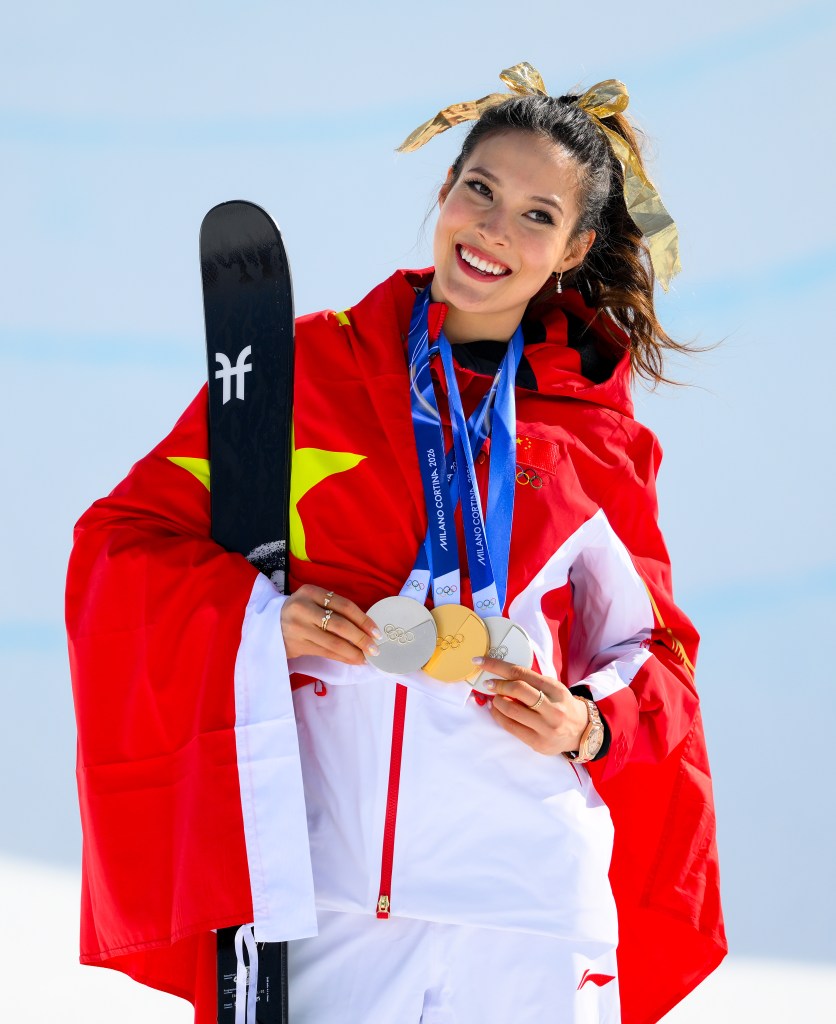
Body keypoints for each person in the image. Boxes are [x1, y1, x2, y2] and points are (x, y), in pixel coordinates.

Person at [67, 64, 726, 1024]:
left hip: (529, 905)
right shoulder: (308, 373)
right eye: (480, 191)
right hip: (331, 901)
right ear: (445, 192)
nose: (494, 230)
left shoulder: (595, 436)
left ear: (576, 247)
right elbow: (122, 548)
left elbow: (657, 656)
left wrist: (588, 723)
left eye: (538, 216)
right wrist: (263, 620)